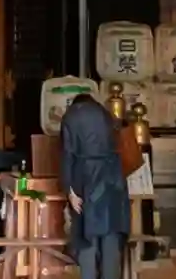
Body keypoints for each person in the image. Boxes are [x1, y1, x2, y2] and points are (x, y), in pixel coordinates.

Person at [59, 93, 130, 279]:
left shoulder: (71, 117)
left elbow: (67, 155)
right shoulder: (108, 115)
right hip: (114, 178)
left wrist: (69, 190)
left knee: (86, 237)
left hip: (85, 178)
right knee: (111, 236)